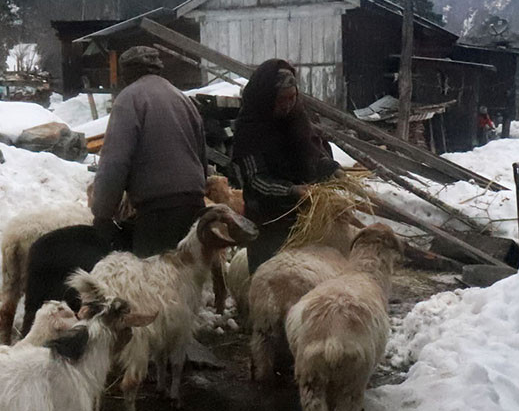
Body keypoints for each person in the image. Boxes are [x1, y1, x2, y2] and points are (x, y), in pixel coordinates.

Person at [90, 45, 207, 257]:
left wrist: (102, 214)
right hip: (193, 205)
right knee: (186, 280)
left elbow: (115, 163)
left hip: (158, 212)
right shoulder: (181, 98)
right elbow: (201, 156)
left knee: (154, 283)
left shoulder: (129, 99)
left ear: (128, 72)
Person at [231, 59, 340, 275]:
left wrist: (330, 168)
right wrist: (292, 191)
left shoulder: (297, 120)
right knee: (271, 281)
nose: (288, 104)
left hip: (302, 222)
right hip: (268, 222)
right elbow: (255, 180)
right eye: (282, 99)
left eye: (292, 98)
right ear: (268, 98)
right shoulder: (250, 130)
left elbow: (312, 155)